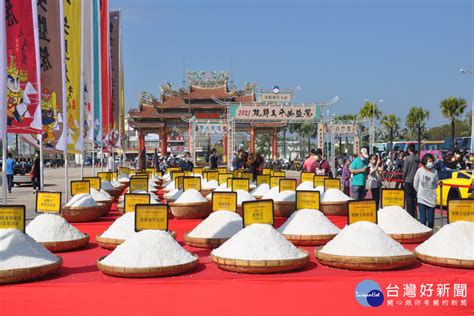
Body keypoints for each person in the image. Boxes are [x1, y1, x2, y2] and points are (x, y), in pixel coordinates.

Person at [414, 153, 438, 229]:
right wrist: (420, 192)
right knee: (423, 220)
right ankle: (424, 236)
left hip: (431, 199)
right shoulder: (419, 171)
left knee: (430, 221)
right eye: (429, 161)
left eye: (432, 161)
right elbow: (415, 183)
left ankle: (430, 235)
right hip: (422, 198)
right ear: (425, 161)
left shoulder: (435, 171)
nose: (431, 163)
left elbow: (436, 184)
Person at [403, 144, 419, 218]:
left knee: (408, 198)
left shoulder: (407, 159)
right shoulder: (417, 158)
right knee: (414, 198)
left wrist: (403, 179)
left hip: (408, 180)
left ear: (409, 150)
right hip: (415, 180)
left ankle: (410, 215)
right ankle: (414, 214)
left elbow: (405, 170)